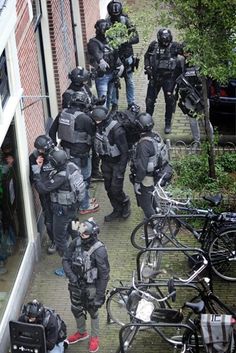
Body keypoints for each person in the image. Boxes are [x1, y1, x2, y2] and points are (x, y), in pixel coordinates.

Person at [32, 148, 85, 275]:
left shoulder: (60, 177)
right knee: (75, 229)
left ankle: (70, 266)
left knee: (60, 238)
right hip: (73, 207)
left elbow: (43, 189)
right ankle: (81, 252)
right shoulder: (72, 166)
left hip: (62, 211)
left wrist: (36, 171)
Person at [63, 218, 110, 352]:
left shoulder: (99, 250)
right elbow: (65, 260)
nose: (82, 236)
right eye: (81, 233)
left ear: (92, 234)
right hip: (75, 285)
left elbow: (104, 275)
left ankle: (94, 337)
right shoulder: (75, 242)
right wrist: (72, 277)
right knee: (76, 308)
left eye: (85, 234)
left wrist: (100, 297)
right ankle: (81, 332)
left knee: (93, 310)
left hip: (91, 287)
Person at [49, 93, 99, 215]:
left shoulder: (62, 114)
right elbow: (94, 135)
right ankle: (84, 205)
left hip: (65, 153)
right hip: (81, 155)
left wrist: (55, 148)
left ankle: (83, 199)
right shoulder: (84, 118)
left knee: (72, 179)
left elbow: (52, 132)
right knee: (84, 180)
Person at [62, 66, 105, 182]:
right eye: (85, 80)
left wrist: (98, 101)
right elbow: (70, 113)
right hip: (81, 126)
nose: (87, 82)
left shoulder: (84, 87)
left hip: (89, 119)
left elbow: (91, 99)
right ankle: (87, 177)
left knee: (95, 148)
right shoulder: (68, 95)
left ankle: (94, 171)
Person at [130, 113, 172, 221]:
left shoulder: (143, 144)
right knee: (152, 197)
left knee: (145, 203)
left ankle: (155, 224)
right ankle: (157, 213)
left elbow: (142, 167)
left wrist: (138, 182)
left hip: (147, 178)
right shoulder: (155, 135)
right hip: (159, 172)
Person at [91, 106, 130, 221]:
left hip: (117, 163)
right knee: (108, 188)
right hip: (106, 161)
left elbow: (124, 151)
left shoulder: (117, 130)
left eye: (97, 120)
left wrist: (121, 169)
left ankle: (125, 202)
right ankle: (116, 209)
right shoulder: (98, 127)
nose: (95, 122)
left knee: (116, 189)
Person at [144, 28, 183, 134]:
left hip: (169, 79)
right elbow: (146, 56)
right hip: (155, 78)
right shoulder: (153, 46)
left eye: (167, 40)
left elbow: (188, 54)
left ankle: (168, 122)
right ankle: (147, 122)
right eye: (163, 40)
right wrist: (147, 67)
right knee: (149, 101)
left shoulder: (175, 46)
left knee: (169, 101)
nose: (165, 42)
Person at [106, 0, 139, 111]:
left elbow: (136, 38)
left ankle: (131, 103)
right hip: (113, 57)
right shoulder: (106, 23)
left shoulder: (127, 22)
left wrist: (125, 40)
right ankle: (114, 104)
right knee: (114, 81)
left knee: (129, 81)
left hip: (126, 55)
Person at [87, 19, 124, 110]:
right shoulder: (93, 43)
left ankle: (110, 116)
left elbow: (114, 53)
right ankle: (103, 117)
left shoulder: (110, 40)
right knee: (102, 100)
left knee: (111, 97)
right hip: (102, 75)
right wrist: (100, 61)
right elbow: (97, 55)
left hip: (113, 73)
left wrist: (120, 64)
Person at [29, 135, 56, 254]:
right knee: (49, 221)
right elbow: (32, 178)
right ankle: (54, 241)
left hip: (59, 192)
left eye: (43, 150)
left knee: (69, 219)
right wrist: (37, 167)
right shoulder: (34, 158)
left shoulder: (56, 155)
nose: (41, 152)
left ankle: (78, 239)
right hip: (45, 195)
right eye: (39, 150)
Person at [175, 52, 204, 146]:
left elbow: (209, 81)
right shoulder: (181, 64)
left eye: (188, 53)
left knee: (205, 120)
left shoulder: (201, 64)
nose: (187, 55)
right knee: (192, 121)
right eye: (185, 53)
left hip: (200, 98)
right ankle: (196, 142)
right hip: (188, 98)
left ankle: (211, 141)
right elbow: (176, 79)